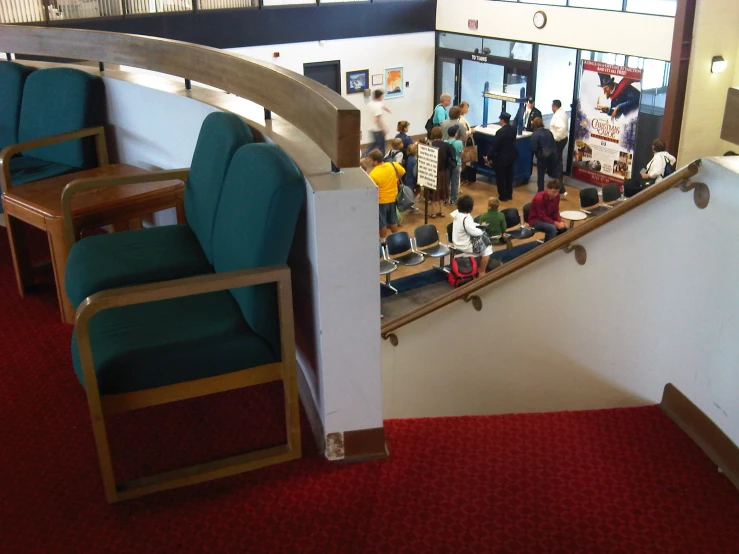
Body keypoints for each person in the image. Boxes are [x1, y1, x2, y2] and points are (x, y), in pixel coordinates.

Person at [367, 149, 404, 240]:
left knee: (382, 223)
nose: (370, 162)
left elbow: (371, 189)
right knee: (393, 221)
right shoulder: (393, 165)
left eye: (371, 160)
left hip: (381, 201)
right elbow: (402, 171)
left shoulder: (373, 174)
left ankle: (383, 241)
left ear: (375, 161)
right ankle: (397, 238)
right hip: (393, 198)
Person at [451, 195, 493, 275]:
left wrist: (477, 225)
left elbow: (471, 225)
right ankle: (481, 271)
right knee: (488, 248)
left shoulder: (458, 215)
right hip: (464, 245)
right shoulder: (465, 219)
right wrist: (482, 229)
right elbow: (475, 232)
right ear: (470, 208)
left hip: (458, 241)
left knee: (484, 242)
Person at [486, 111, 517, 202]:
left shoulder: (500, 132)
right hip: (511, 156)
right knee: (509, 176)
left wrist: (489, 156)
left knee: (500, 177)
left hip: (501, 158)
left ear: (502, 120)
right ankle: (509, 194)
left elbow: (495, 146)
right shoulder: (513, 129)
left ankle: (502, 196)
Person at [428, 126, 454, 218]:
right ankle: (442, 211)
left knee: (433, 192)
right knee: (442, 191)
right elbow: (452, 158)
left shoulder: (430, 145)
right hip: (443, 171)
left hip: (433, 172)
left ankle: (433, 212)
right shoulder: (446, 145)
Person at [530, 117, 560, 193]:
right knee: (555, 174)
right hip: (553, 155)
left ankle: (540, 191)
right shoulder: (549, 132)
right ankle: (560, 190)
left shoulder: (535, 134)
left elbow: (533, 148)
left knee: (541, 175)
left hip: (542, 157)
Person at [362, 90, 390, 157]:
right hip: (378, 130)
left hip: (372, 128)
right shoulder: (377, 108)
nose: (382, 97)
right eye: (382, 96)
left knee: (375, 144)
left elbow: (381, 105)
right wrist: (383, 129)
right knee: (381, 146)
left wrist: (386, 109)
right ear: (379, 96)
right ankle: (381, 159)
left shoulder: (371, 103)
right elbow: (378, 120)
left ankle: (363, 155)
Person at [549, 99, 569, 189]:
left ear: (554, 106)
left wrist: (555, 139)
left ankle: (558, 180)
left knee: (557, 161)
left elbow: (562, 128)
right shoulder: (563, 113)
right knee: (558, 159)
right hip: (563, 139)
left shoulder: (558, 116)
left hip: (559, 141)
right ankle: (557, 177)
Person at [446, 125, 464, 205]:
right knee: (455, 182)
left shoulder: (445, 142)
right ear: (456, 134)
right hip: (456, 164)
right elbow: (460, 154)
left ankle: (445, 198)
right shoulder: (459, 143)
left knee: (446, 182)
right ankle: (453, 199)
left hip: (447, 164)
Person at [403, 143, 420, 213]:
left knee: (411, 193)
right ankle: (410, 206)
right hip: (412, 180)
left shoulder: (409, 158)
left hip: (408, 178)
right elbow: (414, 172)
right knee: (413, 192)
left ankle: (409, 205)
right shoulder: (414, 160)